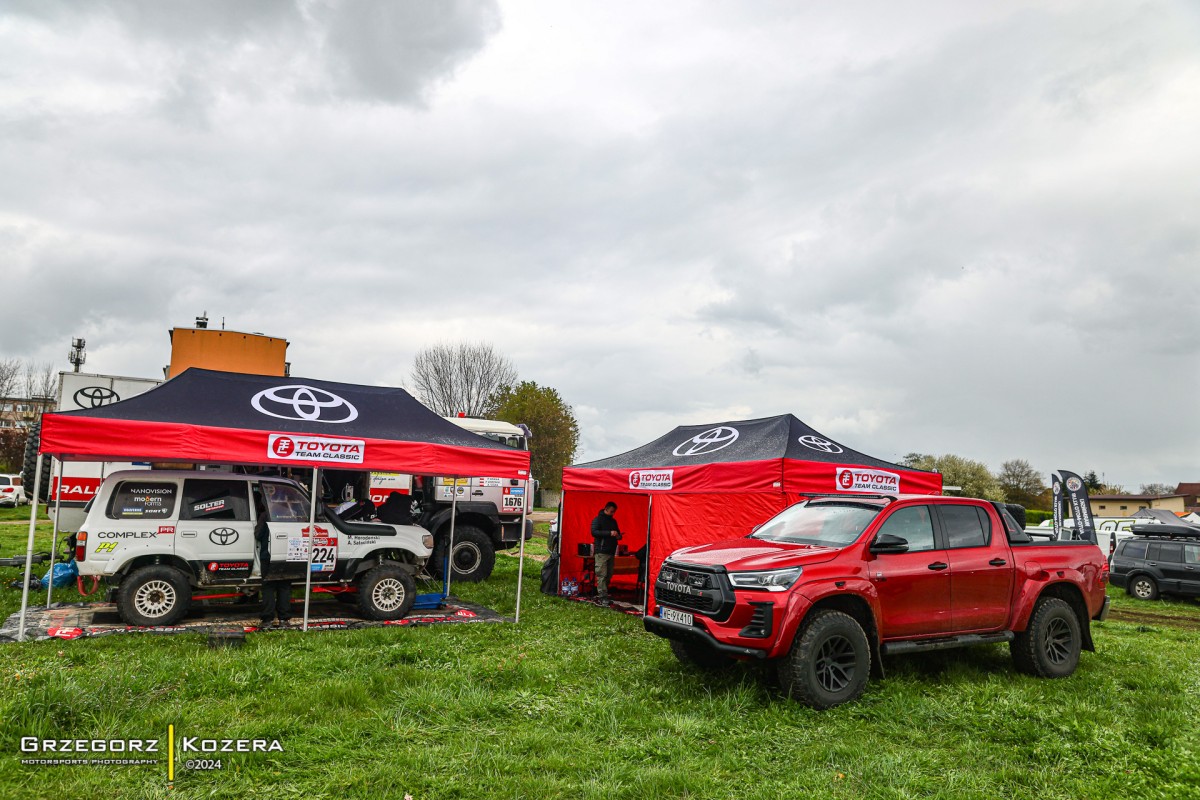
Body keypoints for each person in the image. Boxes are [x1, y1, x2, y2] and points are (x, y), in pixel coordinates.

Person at [254, 495, 293, 628]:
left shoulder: (266, 515)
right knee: (284, 587)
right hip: (287, 555)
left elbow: (258, 535)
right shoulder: (291, 515)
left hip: (268, 556)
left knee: (268, 588)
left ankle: (267, 620)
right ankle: (284, 620)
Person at [590, 501, 622, 601]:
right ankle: (602, 595)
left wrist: (618, 535)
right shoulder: (597, 519)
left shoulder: (614, 521)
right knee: (601, 574)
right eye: (611, 511)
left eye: (614, 512)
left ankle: (604, 592)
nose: (613, 513)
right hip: (601, 551)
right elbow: (594, 532)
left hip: (611, 551)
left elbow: (619, 534)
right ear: (606, 509)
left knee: (609, 574)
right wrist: (609, 533)